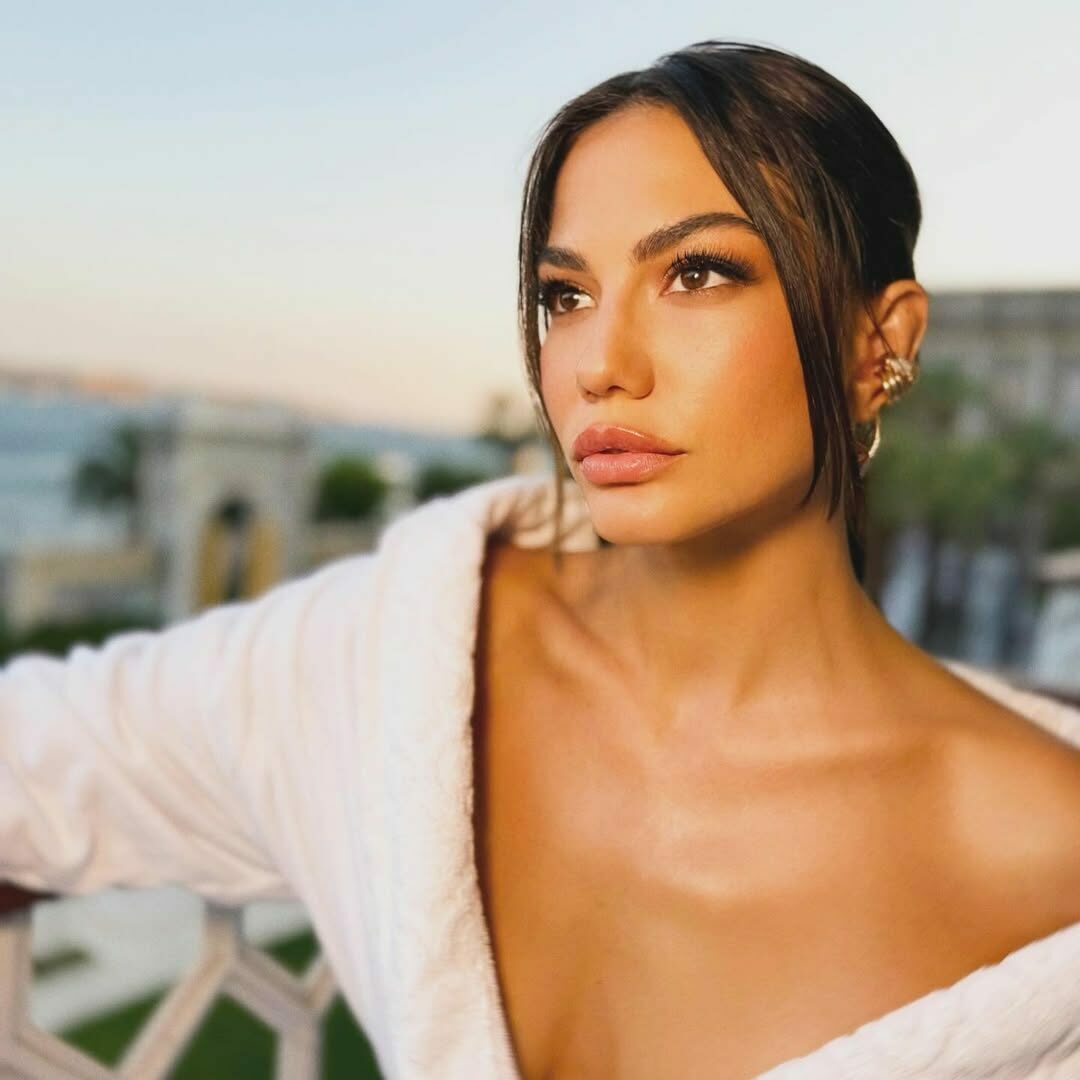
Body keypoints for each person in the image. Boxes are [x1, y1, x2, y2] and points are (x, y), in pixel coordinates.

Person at [1, 38, 1078, 1080]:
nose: (600, 364)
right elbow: (39, 751)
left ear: (878, 344)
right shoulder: (396, 652)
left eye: (698, 272)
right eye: (566, 296)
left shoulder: (1045, 854)